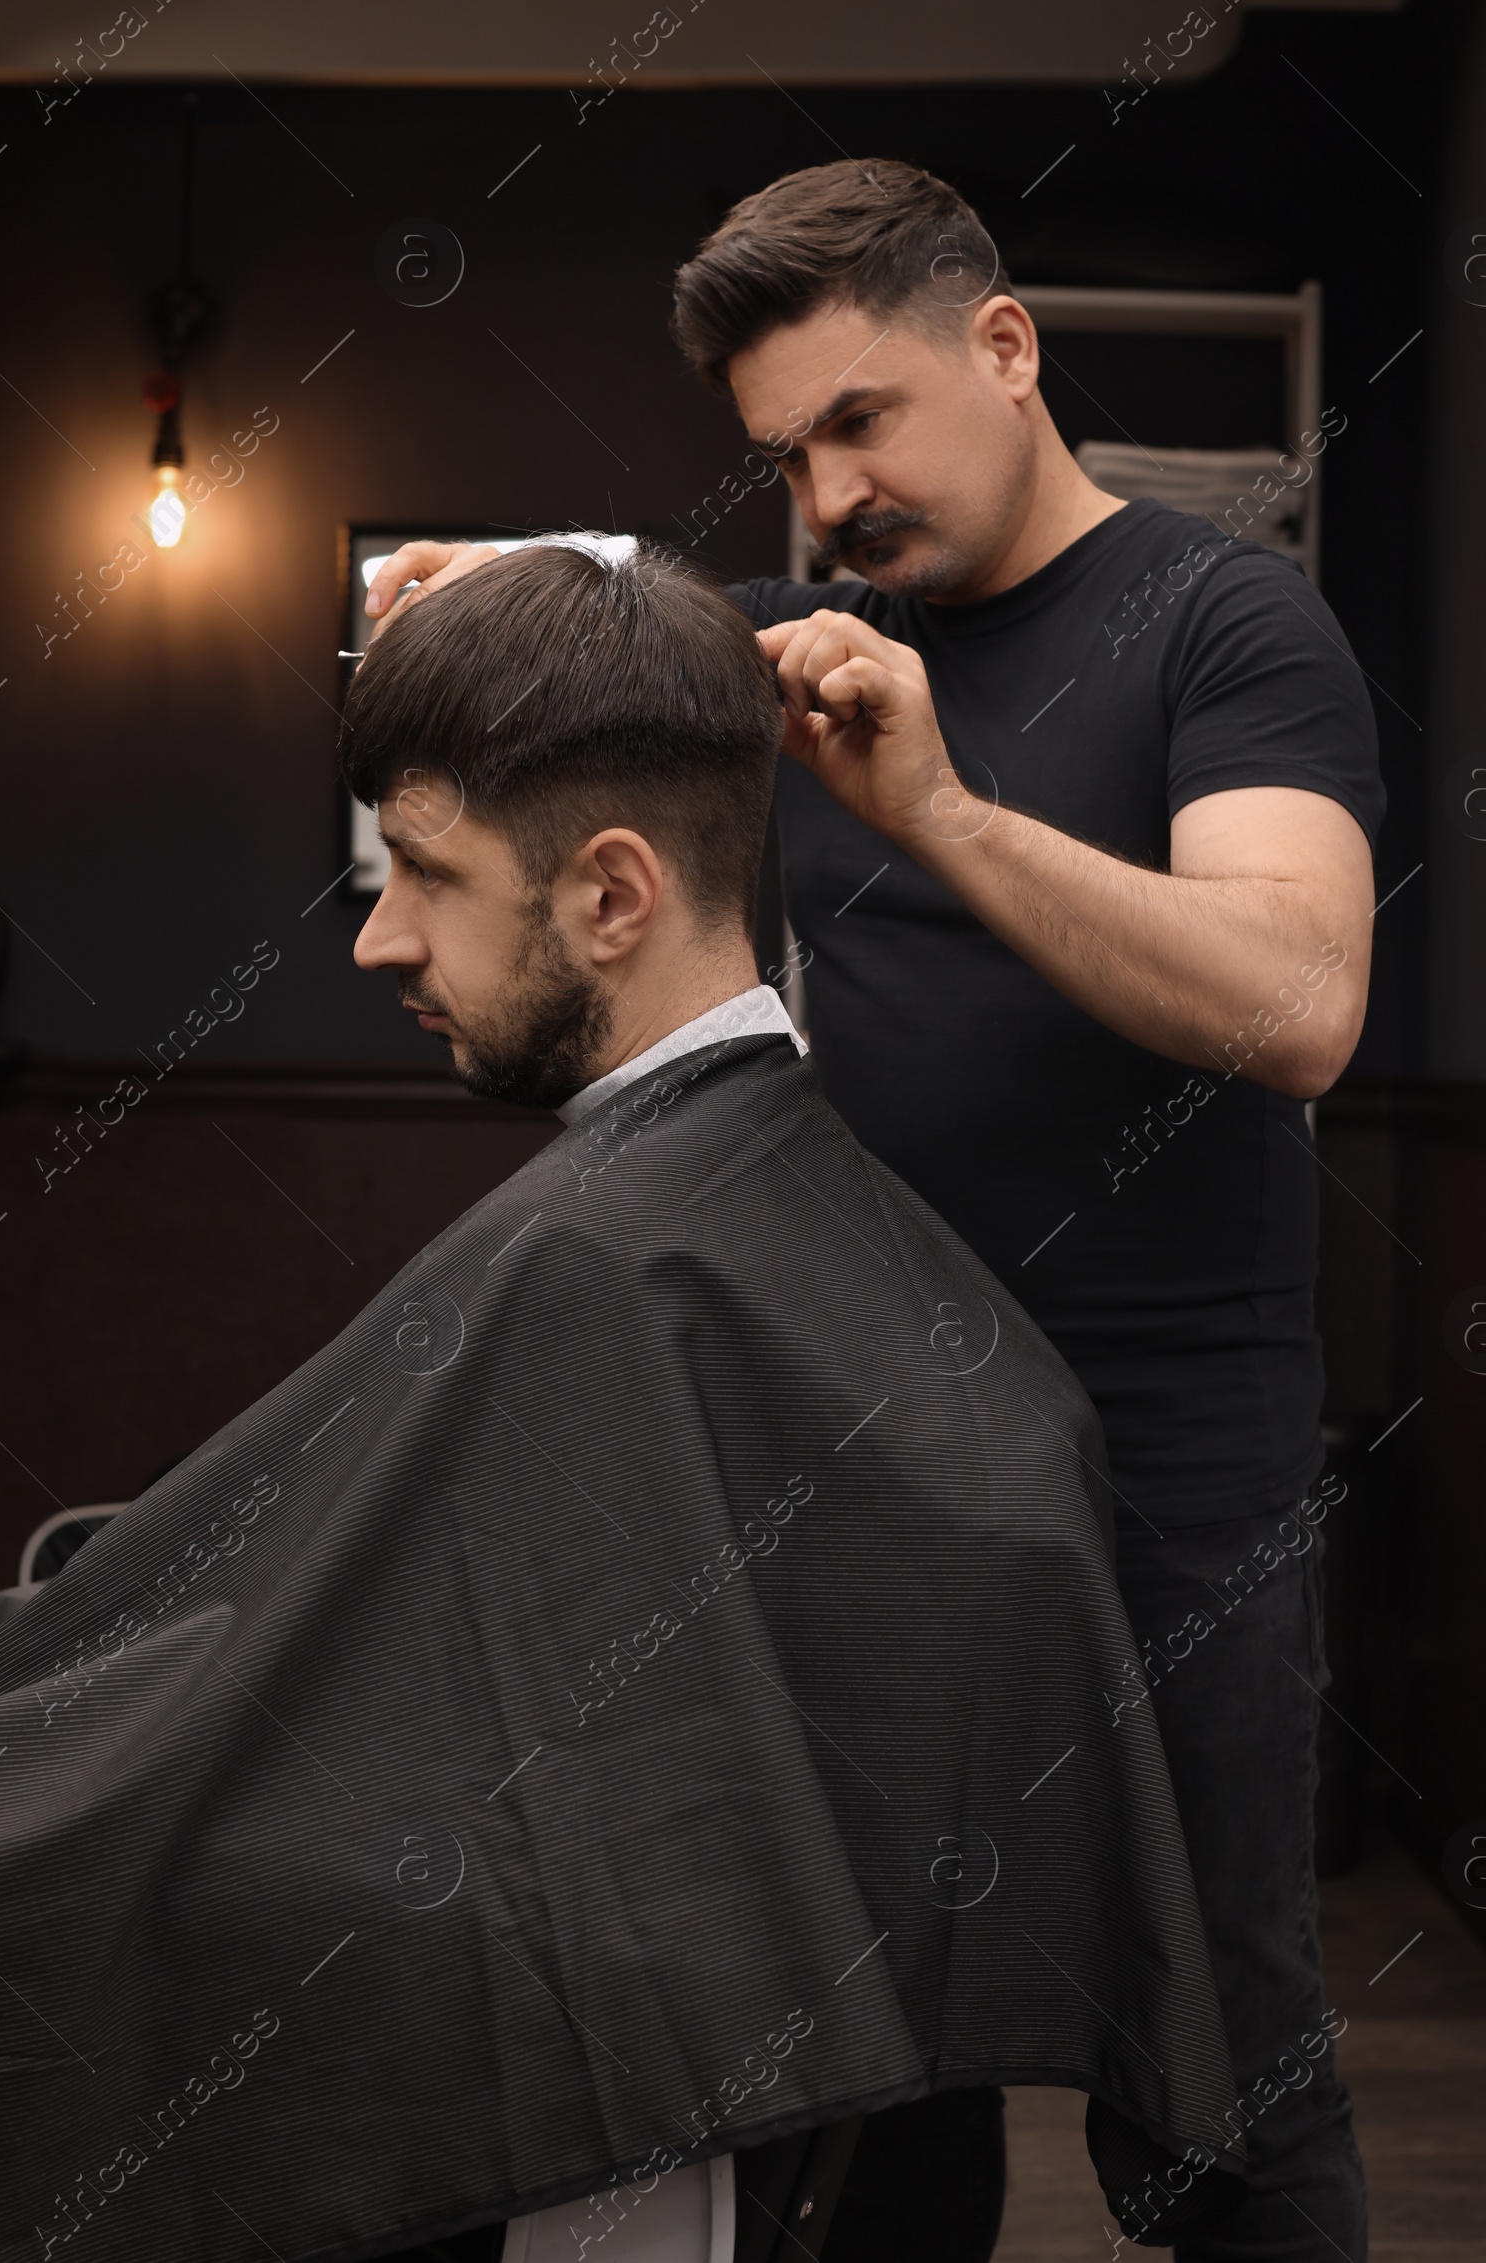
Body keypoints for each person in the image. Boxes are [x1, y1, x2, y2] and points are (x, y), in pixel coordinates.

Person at [0, 543, 1244, 2263]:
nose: (378, 939)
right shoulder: (795, 1249)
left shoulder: (612, 1259)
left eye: (425, 876)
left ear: (611, 897)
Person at [364, 163, 1385, 2262]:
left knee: (1214, 2071)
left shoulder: (1224, 622)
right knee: (866, 2053)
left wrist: (931, 811)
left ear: (1000, 350)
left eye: (859, 423)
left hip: (1174, 1466)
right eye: (782, 456)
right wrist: (498, 587)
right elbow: (631, 640)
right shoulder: (822, 649)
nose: (823, 497)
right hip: (888, 1449)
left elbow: (1295, 1005)